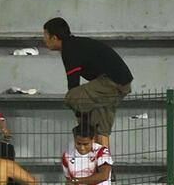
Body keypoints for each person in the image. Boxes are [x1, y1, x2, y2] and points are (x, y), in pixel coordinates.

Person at [42, 17, 133, 149]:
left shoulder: (69, 48)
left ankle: (84, 130)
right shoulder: (75, 44)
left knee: (71, 97)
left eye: (45, 35)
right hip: (120, 82)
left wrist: (80, 115)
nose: (43, 39)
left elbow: (73, 86)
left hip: (111, 82)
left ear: (54, 37)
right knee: (100, 128)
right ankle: (104, 164)